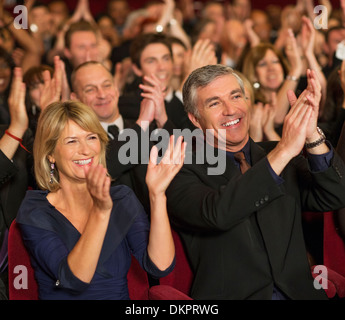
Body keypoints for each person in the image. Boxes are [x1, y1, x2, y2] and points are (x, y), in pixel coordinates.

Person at [166, 64, 345, 300]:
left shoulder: (280, 157)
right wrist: (283, 150)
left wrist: (311, 134)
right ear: (195, 119)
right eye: (214, 103)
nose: (231, 110)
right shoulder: (180, 170)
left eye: (236, 96)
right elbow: (218, 213)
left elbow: (335, 194)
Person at [16, 100, 186, 300]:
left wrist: (157, 196)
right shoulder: (35, 209)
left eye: (91, 137)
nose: (86, 150)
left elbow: (160, 267)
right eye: (71, 141)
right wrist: (101, 211)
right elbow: (73, 280)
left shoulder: (121, 198)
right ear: (50, 154)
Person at [0, 67, 34, 299]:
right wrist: (15, 130)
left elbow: (50, 177)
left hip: (18, 263)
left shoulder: (14, 133)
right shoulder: (13, 131)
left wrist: (50, 112)